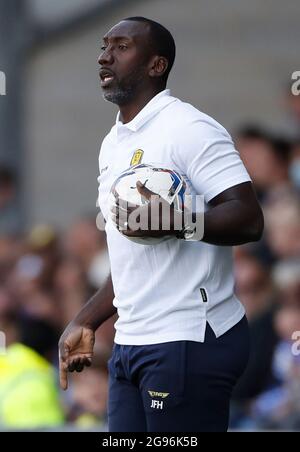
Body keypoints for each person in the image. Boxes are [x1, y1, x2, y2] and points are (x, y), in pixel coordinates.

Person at [58, 17, 264, 432]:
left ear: (156, 65)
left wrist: (179, 222)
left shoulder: (190, 128)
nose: (104, 56)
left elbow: (248, 218)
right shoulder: (113, 143)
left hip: (189, 333)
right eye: (103, 46)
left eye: (121, 47)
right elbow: (132, 257)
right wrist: (87, 318)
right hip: (132, 340)